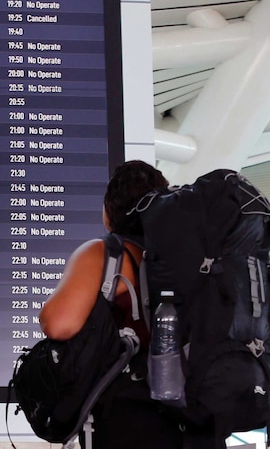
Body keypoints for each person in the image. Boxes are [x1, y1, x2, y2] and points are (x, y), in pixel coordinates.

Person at [38, 160, 196, 448]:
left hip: (131, 419)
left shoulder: (107, 253)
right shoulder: (193, 256)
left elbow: (58, 323)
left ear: (110, 210)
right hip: (197, 418)